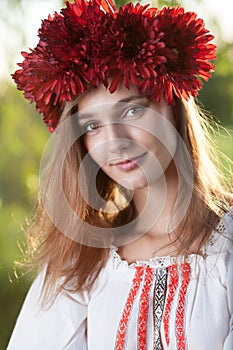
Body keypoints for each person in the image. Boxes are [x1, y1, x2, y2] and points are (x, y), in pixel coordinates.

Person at [7, 0, 233, 349]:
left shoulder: (227, 249)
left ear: (172, 107)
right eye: (93, 125)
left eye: (131, 110)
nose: (114, 143)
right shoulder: (82, 262)